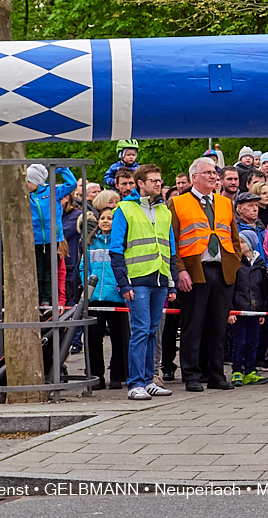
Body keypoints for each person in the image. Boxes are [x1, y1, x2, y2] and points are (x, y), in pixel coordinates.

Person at [170, 157, 242, 391]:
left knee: (219, 326)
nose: (213, 176)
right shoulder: (178, 203)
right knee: (193, 325)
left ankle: (216, 375)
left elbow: (234, 236)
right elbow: (173, 241)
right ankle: (192, 375)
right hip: (194, 271)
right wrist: (180, 270)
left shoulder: (224, 202)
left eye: (214, 173)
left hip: (222, 270)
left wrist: (235, 261)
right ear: (194, 177)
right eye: (208, 172)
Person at [110, 164, 176, 400]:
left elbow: (170, 249)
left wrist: (171, 282)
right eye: (153, 180)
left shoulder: (164, 211)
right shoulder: (124, 209)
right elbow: (115, 249)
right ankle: (136, 382)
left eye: (159, 180)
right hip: (137, 279)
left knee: (151, 331)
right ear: (141, 183)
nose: (159, 184)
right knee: (140, 330)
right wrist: (124, 283)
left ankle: (148, 379)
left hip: (159, 278)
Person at [86, 206, 129, 390]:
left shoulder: (120, 243)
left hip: (116, 297)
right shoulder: (91, 243)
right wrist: (88, 288)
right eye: (102, 218)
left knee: (118, 338)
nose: (105, 221)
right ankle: (97, 376)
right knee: (94, 338)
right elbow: (84, 268)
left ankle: (117, 375)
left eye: (110, 218)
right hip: (95, 297)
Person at [27, 163, 77, 306]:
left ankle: (47, 300)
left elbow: (72, 184)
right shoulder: (26, 196)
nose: (25, 184)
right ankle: (36, 300)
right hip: (34, 240)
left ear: (36, 181)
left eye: (28, 181)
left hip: (53, 239)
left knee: (50, 271)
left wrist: (63, 170)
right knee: (37, 271)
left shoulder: (52, 191)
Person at [230, 231, 268, 386]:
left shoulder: (260, 264)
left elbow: (263, 289)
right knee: (238, 342)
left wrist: (263, 310)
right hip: (239, 309)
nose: (239, 245)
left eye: (243, 242)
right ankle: (237, 371)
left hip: (255, 310)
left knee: (253, 341)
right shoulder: (235, 263)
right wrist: (230, 309)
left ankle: (250, 370)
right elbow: (230, 288)